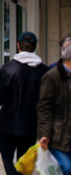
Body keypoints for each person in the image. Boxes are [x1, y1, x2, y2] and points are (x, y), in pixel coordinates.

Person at [0, 31, 49, 174]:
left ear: (18, 46)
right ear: (35, 46)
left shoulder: (8, 69)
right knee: (25, 162)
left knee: (4, 160)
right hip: (30, 126)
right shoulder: (45, 72)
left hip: (6, 125)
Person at [38, 34, 71, 175]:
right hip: (59, 135)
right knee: (66, 168)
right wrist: (45, 134)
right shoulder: (52, 76)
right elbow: (44, 107)